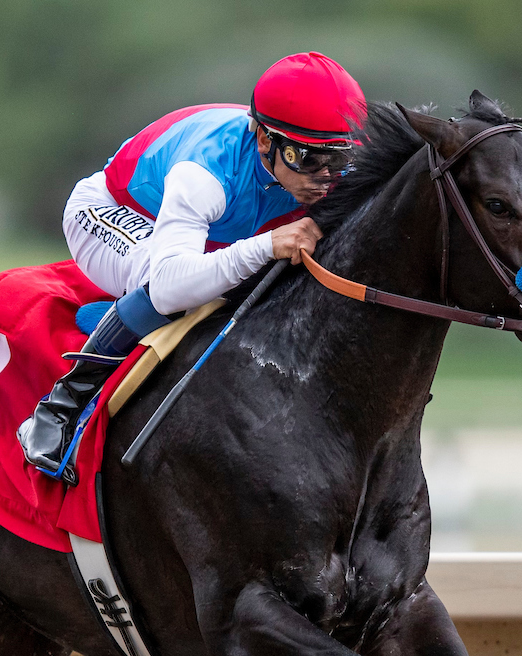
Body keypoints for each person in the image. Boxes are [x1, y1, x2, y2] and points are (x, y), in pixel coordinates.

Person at [18, 52, 365, 484]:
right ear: (264, 140)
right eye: (309, 160)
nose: (326, 178)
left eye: (338, 159)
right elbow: (169, 287)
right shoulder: (205, 172)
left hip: (209, 234)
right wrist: (266, 245)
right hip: (113, 211)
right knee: (171, 285)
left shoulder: (322, 164)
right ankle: (60, 408)